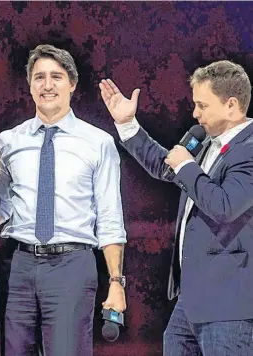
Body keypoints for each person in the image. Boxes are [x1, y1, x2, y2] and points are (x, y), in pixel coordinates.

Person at [100, 60, 253, 355]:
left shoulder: (249, 150)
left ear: (231, 105)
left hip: (229, 302)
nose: (195, 114)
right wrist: (127, 125)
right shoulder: (207, 141)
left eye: (202, 105)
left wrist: (186, 165)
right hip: (192, 300)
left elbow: (224, 206)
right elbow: (167, 166)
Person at [0, 44, 127, 356]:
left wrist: (117, 282)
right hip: (21, 264)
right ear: (29, 85)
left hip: (73, 265)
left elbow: (110, 217)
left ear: (72, 84)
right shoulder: (9, 141)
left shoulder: (98, 143)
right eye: (39, 77)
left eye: (56, 76)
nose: (47, 85)